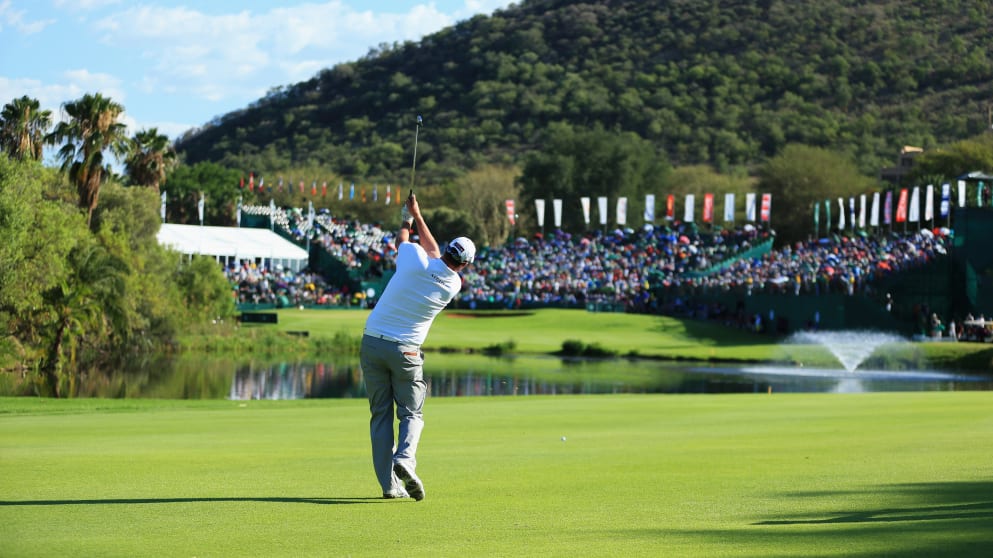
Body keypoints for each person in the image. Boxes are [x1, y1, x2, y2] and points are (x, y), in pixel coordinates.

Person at [359, 193, 475, 501]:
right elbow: (436, 254)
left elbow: (408, 242)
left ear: (447, 251)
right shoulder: (453, 284)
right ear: (464, 265)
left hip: (372, 343)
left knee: (380, 415)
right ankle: (405, 460)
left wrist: (408, 219)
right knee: (411, 413)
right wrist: (416, 216)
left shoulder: (411, 259)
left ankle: (388, 486)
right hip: (406, 351)